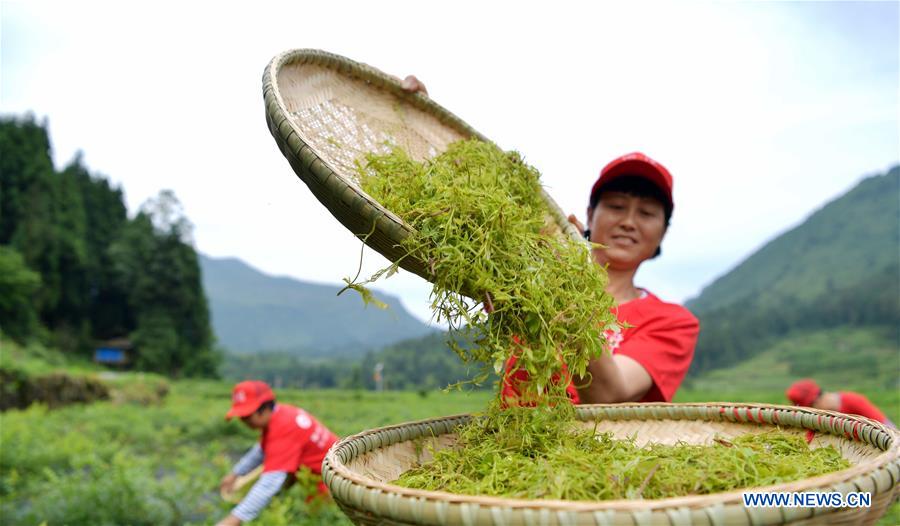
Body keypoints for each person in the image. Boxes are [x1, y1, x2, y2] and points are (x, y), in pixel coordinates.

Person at [400, 77, 699, 404]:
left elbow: (609, 394)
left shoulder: (671, 322)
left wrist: (567, 285)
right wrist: (419, 127)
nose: (628, 221)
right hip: (514, 448)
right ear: (590, 215)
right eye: (616, 206)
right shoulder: (531, 274)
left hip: (592, 454)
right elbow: (462, 216)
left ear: (663, 232)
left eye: (646, 213)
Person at [216, 381, 338, 526]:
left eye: (247, 416)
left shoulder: (283, 429)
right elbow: (260, 451)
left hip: (333, 485)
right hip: (321, 477)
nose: (243, 421)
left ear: (265, 408)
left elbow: (270, 483)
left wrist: (233, 519)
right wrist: (235, 474)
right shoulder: (282, 414)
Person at [786, 379, 896, 427]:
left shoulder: (853, 401)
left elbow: (888, 427)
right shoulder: (819, 419)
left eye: (810, 407)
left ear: (817, 400)